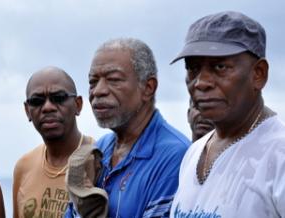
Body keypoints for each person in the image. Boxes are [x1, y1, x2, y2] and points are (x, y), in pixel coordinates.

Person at [170, 11, 285, 218]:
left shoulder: (279, 156)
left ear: (258, 74)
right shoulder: (193, 153)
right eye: (193, 68)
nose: (201, 82)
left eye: (220, 67)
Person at [66, 38, 190, 218]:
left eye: (114, 79)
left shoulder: (175, 156)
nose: (98, 91)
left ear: (148, 88)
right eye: (93, 81)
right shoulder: (100, 149)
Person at [13, 66, 95, 218]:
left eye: (58, 98)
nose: (48, 107)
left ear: (78, 105)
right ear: (27, 111)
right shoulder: (24, 167)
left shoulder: (99, 161)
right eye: (37, 101)